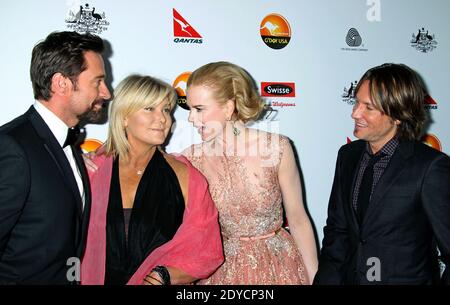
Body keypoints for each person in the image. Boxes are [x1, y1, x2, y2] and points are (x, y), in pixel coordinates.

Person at [182, 61, 318, 284]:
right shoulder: (192, 159)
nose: (190, 118)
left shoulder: (276, 148)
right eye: (190, 109)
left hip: (280, 266)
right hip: (221, 269)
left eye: (199, 109)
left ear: (228, 107)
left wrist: (315, 278)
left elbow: (298, 218)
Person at [314, 63, 450, 285]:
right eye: (357, 102)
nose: (355, 112)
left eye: (368, 107)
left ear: (398, 115)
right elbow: (337, 233)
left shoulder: (430, 167)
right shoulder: (348, 155)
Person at [80, 74, 223, 285]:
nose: (163, 118)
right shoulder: (91, 169)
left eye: (166, 109)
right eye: (150, 109)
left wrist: (165, 275)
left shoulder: (185, 176)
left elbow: (207, 252)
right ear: (124, 117)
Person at [0, 31, 111, 284]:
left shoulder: (69, 142)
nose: (106, 93)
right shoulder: (11, 147)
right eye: (97, 82)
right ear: (61, 83)